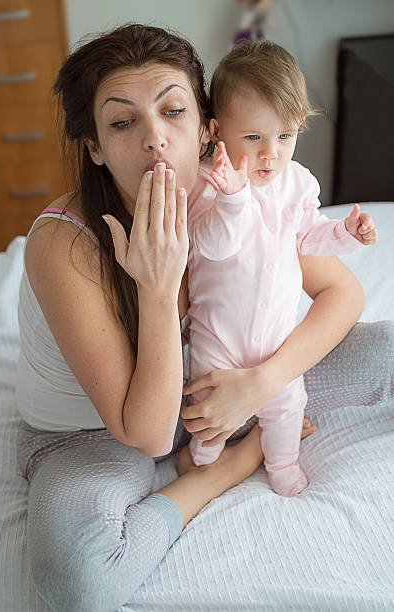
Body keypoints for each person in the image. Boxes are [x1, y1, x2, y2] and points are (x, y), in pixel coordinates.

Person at [15, 24, 367, 612]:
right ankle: (219, 470)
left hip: (213, 391)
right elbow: (146, 433)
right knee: (81, 582)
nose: (156, 139)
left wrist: (258, 385)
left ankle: (244, 428)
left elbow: (345, 296)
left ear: (205, 128)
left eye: (172, 111)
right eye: (123, 122)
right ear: (95, 146)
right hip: (96, 435)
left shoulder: (227, 192)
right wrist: (156, 288)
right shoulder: (63, 245)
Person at [185, 40, 378, 497]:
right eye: (254, 138)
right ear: (216, 131)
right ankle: (203, 462)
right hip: (219, 335)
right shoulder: (208, 181)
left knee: (288, 403)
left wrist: (346, 234)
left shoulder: (298, 182)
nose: (271, 153)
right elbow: (210, 245)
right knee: (206, 409)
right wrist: (232, 201)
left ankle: (283, 464)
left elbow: (309, 235)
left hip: (277, 337)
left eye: (285, 137)